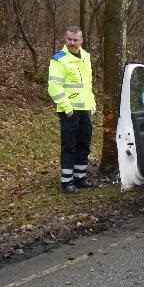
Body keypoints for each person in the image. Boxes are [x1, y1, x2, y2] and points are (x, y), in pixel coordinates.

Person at [47, 26, 97, 193]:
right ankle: (66, 182)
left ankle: (80, 178)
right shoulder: (59, 59)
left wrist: (92, 104)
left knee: (84, 144)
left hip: (84, 110)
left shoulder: (86, 57)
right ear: (65, 39)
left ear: (82, 40)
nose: (72, 43)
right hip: (68, 110)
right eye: (69, 39)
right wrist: (68, 109)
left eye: (75, 40)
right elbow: (54, 87)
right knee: (69, 146)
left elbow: (87, 85)